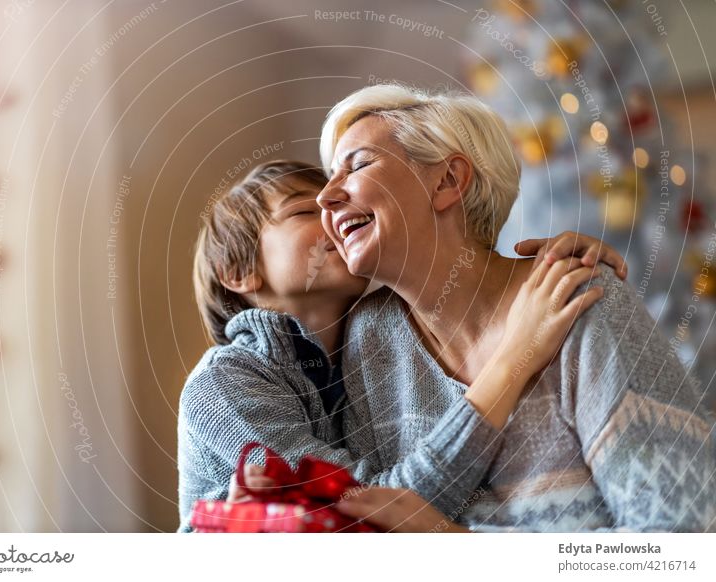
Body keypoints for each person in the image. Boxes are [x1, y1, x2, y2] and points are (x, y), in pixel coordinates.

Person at [296, 83, 716, 532]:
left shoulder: (579, 298)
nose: (325, 197)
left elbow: (681, 538)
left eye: (357, 165)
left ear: (447, 181)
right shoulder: (371, 337)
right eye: (329, 178)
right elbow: (376, 527)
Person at [178, 158, 623, 532]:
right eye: (302, 212)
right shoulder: (223, 383)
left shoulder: (370, 345)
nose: (333, 216)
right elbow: (373, 515)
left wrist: (544, 266)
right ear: (238, 272)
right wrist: (514, 359)